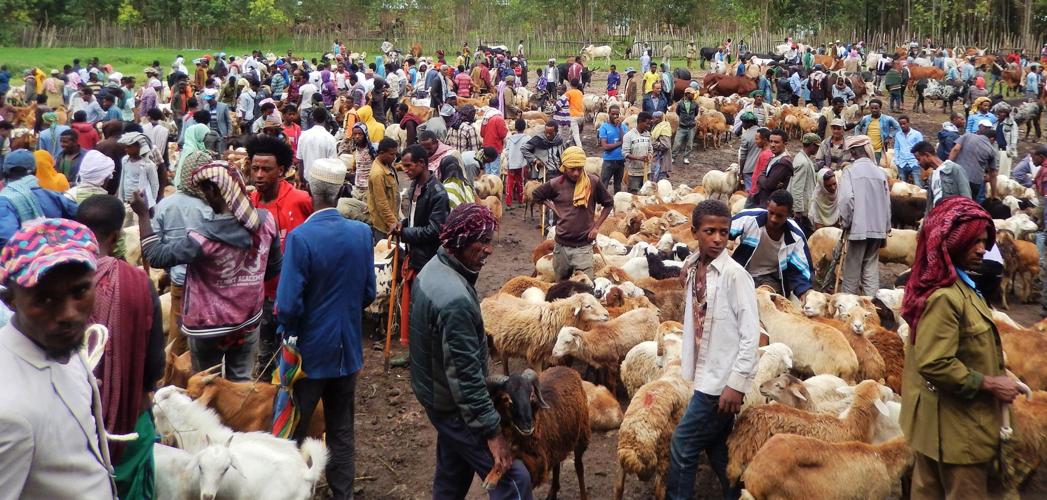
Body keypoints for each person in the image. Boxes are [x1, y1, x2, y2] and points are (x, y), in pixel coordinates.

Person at [408, 202, 529, 499]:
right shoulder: (455, 300)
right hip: (455, 407)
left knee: (452, 474)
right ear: (460, 240)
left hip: (436, 395)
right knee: (514, 480)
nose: (489, 249)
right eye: (483, 241)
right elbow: (465, 377)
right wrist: (492, 432)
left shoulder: (433, 269)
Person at [900, 196, 1014, 500]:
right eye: (973, 241)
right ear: (952, 242)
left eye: (984, 241)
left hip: (944, 430)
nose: (982, 249)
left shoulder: (961, 286)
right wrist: (989, 383)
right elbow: (935, 363)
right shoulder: (945, 298)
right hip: (957, 436)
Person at [276, 155, 375, 500]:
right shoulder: (361, 233)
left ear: (308, 188)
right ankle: (342, 493)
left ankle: (290, 489)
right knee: (342, 428)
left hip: (307, 354)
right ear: (340, 190)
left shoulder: (302, 238)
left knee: (294, 428)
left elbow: (287, 305)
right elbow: (368, 293)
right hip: (347, 350)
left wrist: (289, 329)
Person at [0, 219, 117, 499]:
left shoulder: (60, 344)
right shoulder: (9, 412)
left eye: (79, 292)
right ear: (10, 300)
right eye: (45, 299)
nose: (68, 314)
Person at [136, 160, 281, 380]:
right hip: (248, 321)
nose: (203, 196)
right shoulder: (266, 222)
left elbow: (155, 256)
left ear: (214, 191)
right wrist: (245, 282)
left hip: (207, 327)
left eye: (204, 190)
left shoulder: (202, 238)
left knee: (206, 384)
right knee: (240, 384)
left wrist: (143, 215)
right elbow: (273, 267)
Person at [666, 199, 759, 500]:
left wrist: (736, 384)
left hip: (720, 382)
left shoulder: (735, 276)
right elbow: (699, 260)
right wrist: (690, 261)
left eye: (724, 232)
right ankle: (740, 495)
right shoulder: (696, 267)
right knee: (718, 448)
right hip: (705, 374)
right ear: (694, 232)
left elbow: (750, 335)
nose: (718, 239)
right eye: (710, 231)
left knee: (682, 444)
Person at [75, 195, 164, 497]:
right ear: (116, 236)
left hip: (72, 411)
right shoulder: (137, 282)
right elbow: (154, 359)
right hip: (130, 414)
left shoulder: (60, 280)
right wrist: (144, 390)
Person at [246, 135, 312, 376]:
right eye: (255, 168)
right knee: (263, 357)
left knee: (293, 356)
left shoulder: (300, 200)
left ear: (281, 171)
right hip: (260, 295)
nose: (259, 175)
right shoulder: (249, 204)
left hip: (294, 294)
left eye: (266, 169)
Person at [390, 145, 450, 361]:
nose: (404, 170)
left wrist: (405, 233)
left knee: (427, 308)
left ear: (422, 164)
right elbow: (417, 219)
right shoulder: (416, 185)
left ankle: (428, 354)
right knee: (416, 308)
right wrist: (402, 224)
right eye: (403, 166)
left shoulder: (437, 192)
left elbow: (435, 230)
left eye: (408, 165)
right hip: (415, 254)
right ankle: (416, 352)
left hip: (430, 258)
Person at [531, 147, 613, 280]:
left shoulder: (592, 182)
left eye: (579, 169)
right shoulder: (556, 184)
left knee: (585, 286)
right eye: (572, 169)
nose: (576, 173)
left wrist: (596, 227)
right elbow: (536, 195)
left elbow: (608, 204)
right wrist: (552, 206)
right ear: (564, 167)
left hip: (583, 246)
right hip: (561, 246)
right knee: (562, 284)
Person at [730, 190, 814, 297]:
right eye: (771, 213)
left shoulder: (796, 237)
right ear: (767, 206)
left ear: (789, 214)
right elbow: (723, 230)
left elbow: (801, 271)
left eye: (780, 216)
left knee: (764, 298)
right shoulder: (749, 218)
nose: (773, 219)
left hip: (770, 279)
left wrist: (804, 293)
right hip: (741, 272)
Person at [837, 135, 891, 296]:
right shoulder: (880, 173)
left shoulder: (850, 171)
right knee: (871, 270)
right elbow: (888, 203)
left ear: (853, 152)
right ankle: (871, 307)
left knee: (852, 271)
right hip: (878, 229)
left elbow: (846, 199)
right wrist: (886, 227)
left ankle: (848, 305)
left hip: (858, 229)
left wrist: (846, 222)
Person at [0, 150, 79, 246]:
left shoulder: (4, 201)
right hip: (55, 256)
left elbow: (7, 238)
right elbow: (81, 215)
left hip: (20, 259)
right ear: (35, 171)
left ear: (4, 172)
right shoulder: (54, 196)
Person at [912, 141, 972, 215]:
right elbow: (929, 206)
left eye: (919, 159)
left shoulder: (954, 169)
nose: (918, 163)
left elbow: (967, 199)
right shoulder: (931, 177)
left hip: (954, 218)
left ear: (927, 155)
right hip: (939, 221)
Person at [949, 121, 998, 203]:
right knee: (968, 204)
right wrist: (994, 195)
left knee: (952, 201)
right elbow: (993, 174)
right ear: (992, 139)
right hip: (974, 181)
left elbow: (955, 149)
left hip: (957, 175)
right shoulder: (992, 150)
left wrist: (947, 164)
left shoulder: (967, 136)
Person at [750, 130, 793, 208]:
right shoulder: (773, 157)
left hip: (771, 204)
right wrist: (763, 177)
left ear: (785, 144)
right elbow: (764, 176)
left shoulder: (783, 162)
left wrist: (761, 177)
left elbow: (768, 185)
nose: (772, 145)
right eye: (771, 141)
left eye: (776, 142)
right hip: (765, 200)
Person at [116, 132, 160, 209]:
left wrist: (151, 203)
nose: (126, 149)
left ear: (139, 147)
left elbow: (154, 185)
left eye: (129, 147)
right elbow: (123, 179)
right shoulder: (125, 160)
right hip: (127, 200)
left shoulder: (148, 165)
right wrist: (121, 198)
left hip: (141, 202)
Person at [296, 107, 337, 183]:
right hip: (323, 181)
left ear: (313, 118)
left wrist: (301, 181)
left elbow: (300, 161)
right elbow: (332, 164)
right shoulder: (330, 138)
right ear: (325, 119)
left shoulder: (303, 136)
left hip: (307, 179)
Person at [789, 133, 820, 235]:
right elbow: (797, 187)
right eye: (816, 146)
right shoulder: (803, 162)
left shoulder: (803, 158)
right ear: (811, 145)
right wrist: (798, 211)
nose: (817, 149)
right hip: (801, 210)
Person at [854, 99, 900, 165]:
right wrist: (858, 138)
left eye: (876, 108)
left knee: (876, 166)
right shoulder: (865, 118)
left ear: (880, 108)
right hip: (867, 148)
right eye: (872, 108)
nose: (874, 110)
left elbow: (898, 128)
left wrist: (890, 136)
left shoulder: (887, 119)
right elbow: (857, 127)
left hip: (878, 149)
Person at [598, 105, 628, 193]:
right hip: (609, 160)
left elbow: (625, 141)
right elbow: (605, 146)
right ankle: (602, 204)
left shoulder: (623, 127)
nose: (615, 116)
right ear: (609, 114)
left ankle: (616, 204)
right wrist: (620, 143)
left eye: (617, 114)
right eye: (613, 114)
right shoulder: (604, 127)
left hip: (620, 160)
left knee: (618, 185)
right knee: (604, 184)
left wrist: (620, 128)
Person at [622, 112, 653, 193]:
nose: (649, 126)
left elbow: (650, 149)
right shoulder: (629, 136)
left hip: (646, 171)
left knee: (646, 195)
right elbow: (625, 153)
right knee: (634, 195)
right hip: (634, 173)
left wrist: (649, 155)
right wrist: (639, 158)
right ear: (639, 122)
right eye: (647, 124)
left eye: (650, 124)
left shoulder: (648, 135)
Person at [893, 115, 924, 187]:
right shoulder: (898, 134)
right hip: (902, 163)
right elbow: (897, 148)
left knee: (918, 185)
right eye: (901, 124)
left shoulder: (917, 134)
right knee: (902, 186)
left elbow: (921, 148)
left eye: (904, 123)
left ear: (908, 123)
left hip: (914, 163)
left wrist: (918, 161)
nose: (902, 126)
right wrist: (897, 160)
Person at [504, 119, 529, 206]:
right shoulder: (526, 138)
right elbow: (528, 150)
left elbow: (506, 151)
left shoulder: (510, 138)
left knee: (509, 183)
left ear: (515, 127)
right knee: (520, 182)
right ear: (524, 127)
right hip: (521, 163)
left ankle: (508, 202)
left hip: (511, 164)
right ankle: (521, 200)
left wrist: (509, 157)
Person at [674, 88, 698, 165]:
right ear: (687, 94)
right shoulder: (680, 103)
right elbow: (677, 112)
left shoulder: (695, 104)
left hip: (691, 127)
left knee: (689, 144)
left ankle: (686, 157)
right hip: (682, 127)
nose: (693, 95)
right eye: (692, 94)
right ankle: (673, 156)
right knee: (677, 143)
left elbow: (696, 113)